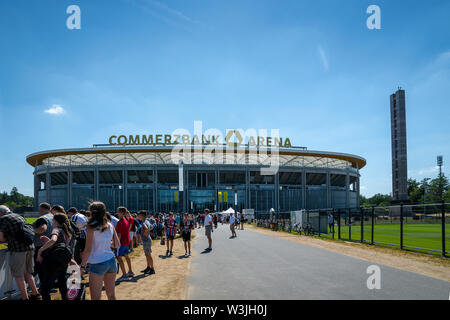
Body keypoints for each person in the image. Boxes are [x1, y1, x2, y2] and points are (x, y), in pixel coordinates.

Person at [80, 202, 120, 300]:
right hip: (111, 261)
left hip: (97, 263)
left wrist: (82, 266)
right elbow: (117, 244)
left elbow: (88, 249)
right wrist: (105, 244)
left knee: (96, 297)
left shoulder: (91, 227)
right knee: (111, 295)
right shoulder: (110, 225)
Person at [0, 205, 40, 300]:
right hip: (30, 247)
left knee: (18, 275)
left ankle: (24, 297)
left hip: (18, 249)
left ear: (1, 212)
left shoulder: (3, 219)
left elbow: (1, 238)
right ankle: (35, 294)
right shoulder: (19, 216)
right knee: (28, 273)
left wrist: (6, 240)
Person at [37, 213, 73, 300]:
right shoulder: (66, 231)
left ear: (55, 221)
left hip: (54, 262)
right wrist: (48, 242)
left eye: (53, 220)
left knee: (45, 288)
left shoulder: (56, 229)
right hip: (63, 260)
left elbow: (54, 240)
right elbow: (63, 245)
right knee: (62, 284)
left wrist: (41, 249)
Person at [32, 202, 54, 283]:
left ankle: (43, 287)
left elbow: (43, 229)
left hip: (41, 246)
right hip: (51, 245)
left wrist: (31, 231)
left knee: (40, 268)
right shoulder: (53, 217)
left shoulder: (42, 218)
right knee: (47, 268)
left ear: (41, 209)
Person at [115, 207, 134, 281]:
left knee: (119, 257)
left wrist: (117, 244)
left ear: (122, 213)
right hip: (126, 241)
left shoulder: (120, 222)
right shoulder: (126, 220)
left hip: (122, 242)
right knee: (126, 255)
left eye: (118, 211)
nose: (117, 213)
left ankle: (124, 275)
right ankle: (130, 271)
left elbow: (119, 234)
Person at [137, 210, 155, 275]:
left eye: (139, 215)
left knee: (148, 255)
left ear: (142, 216)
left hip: (146, 240)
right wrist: (148, 232)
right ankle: (148, 267)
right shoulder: (146, 221)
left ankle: (152, 268)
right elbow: (152, 227)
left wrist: (145, 233)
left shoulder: (144, 222)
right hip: (147, 240)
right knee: (147, 254)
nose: (138, 216)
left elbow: (146, 228)